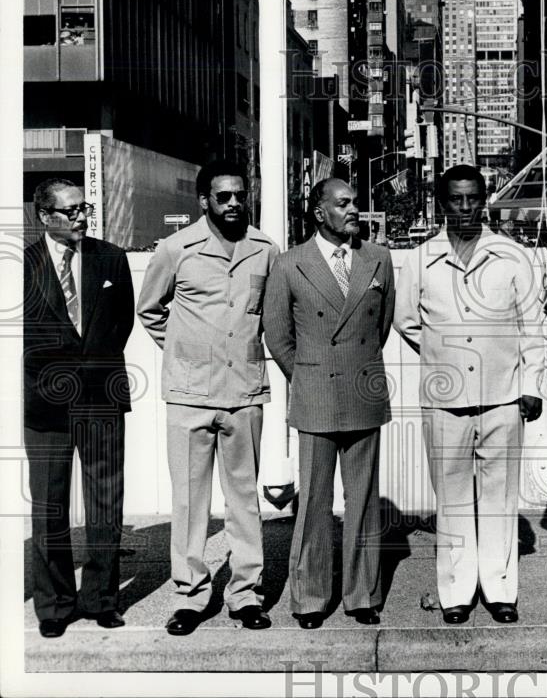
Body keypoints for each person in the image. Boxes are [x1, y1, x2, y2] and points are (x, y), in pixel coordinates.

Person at [394, 164, 545, 625]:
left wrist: (530, 385)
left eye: (473, 198)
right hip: (445, 401)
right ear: (442, 203)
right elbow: (407, 321)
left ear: (484, 200)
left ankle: (500, 590)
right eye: (455, 199)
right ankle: (456, 592)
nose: (465, 208)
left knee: (500, 500)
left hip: (503, 398)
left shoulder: (513, 256)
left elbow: (533, 328)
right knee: (454, 498)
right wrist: (449, 352)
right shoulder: (420, 259)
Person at [137, 161, 278, 635]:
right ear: (204, 201)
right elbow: (151, 310)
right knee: (190, 502)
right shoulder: (176, 249)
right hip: (189, 395)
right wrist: (187, 354)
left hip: (244, 393)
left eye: (240, 195)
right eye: (223, 196)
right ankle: (191, 597)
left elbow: (271, 315)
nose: (234, 203)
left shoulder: (264, 250)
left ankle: (245, 594)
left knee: (244, 500)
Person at [263, 178, 395, 628]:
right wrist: (309, 375)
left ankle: (362, 595)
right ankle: (311, 598)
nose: (353, 209)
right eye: (343, 204)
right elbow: (278, 335)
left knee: (363, 500)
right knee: (314, 502)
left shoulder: (378, 258)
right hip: (316, 394)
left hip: (363, 390)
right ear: (320, 213)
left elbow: (381, 326)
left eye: (355, 201)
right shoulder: (288, 264)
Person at [23, 180, 135, 638]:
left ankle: (101, 599)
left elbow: (122, 321)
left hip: (101, 396)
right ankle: (54, 605)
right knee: (49, 505)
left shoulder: (111, 258)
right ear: (44, 216)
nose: (81, 218)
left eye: (84, 208)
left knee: (105, 502)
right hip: (45, 402)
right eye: (69, 212)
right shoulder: (22, 265)